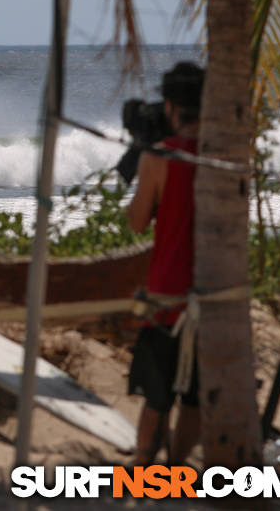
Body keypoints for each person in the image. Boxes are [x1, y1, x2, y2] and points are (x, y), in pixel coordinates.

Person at [125, 60, 205, 466]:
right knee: (193, 399)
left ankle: (143, 465)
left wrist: (141, 153)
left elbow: (137, 222)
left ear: (171, 107)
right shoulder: (224, 157)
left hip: (166, 298)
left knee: (157, 398)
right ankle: (177, 468)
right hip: (212, 296)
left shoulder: (158, 159)